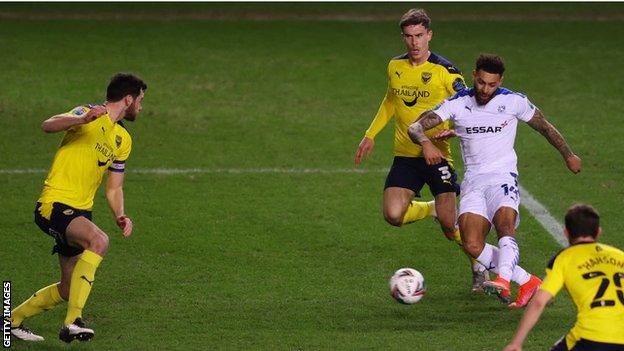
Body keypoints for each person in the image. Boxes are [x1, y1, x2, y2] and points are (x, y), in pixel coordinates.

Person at [407, 53, 582, 307]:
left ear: (500, 81)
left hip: (503, 176)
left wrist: (568, 154)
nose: (485, 89)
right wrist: (426, 143)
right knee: (471, 244)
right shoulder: (456, 104)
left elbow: (543, 125)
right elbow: (415, 127)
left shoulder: (514, 101)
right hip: (474, 181)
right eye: (481, 82)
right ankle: (529, 282)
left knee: (505, 225)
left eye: (492, 85)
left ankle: (503, 279)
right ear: (473, 75)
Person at [354, 8, 488, 292]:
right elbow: (391, 100)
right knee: (392, 215)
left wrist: (455, 129)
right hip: (405, 154)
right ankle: (430, 209)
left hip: (437, 155)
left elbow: (469, 104)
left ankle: (479, 267)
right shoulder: (395, 66)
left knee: (451, 225)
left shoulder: (446, 72)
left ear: (429, 35)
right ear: (403, 37)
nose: (414, 43)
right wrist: (370, 134)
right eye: (408, 36)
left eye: (419, 36)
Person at [9, 73, 147, 343]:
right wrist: (79, 120)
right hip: (55, 204)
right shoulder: (88, 113)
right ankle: (73, 322)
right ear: (128, 99)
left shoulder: (123, 139)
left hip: (81, 212)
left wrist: (120, 214)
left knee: (68, 288)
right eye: (140, 101)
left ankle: (10, 320)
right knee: (99, 240)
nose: (141, 107)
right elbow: (48, 125)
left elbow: (114, 187)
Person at [504, 204, 624, 351]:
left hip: (591, 336)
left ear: (566, 233)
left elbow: (538, 302)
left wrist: (516, 343)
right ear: (598, 232)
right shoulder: (620, 255)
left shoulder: (565, 258)